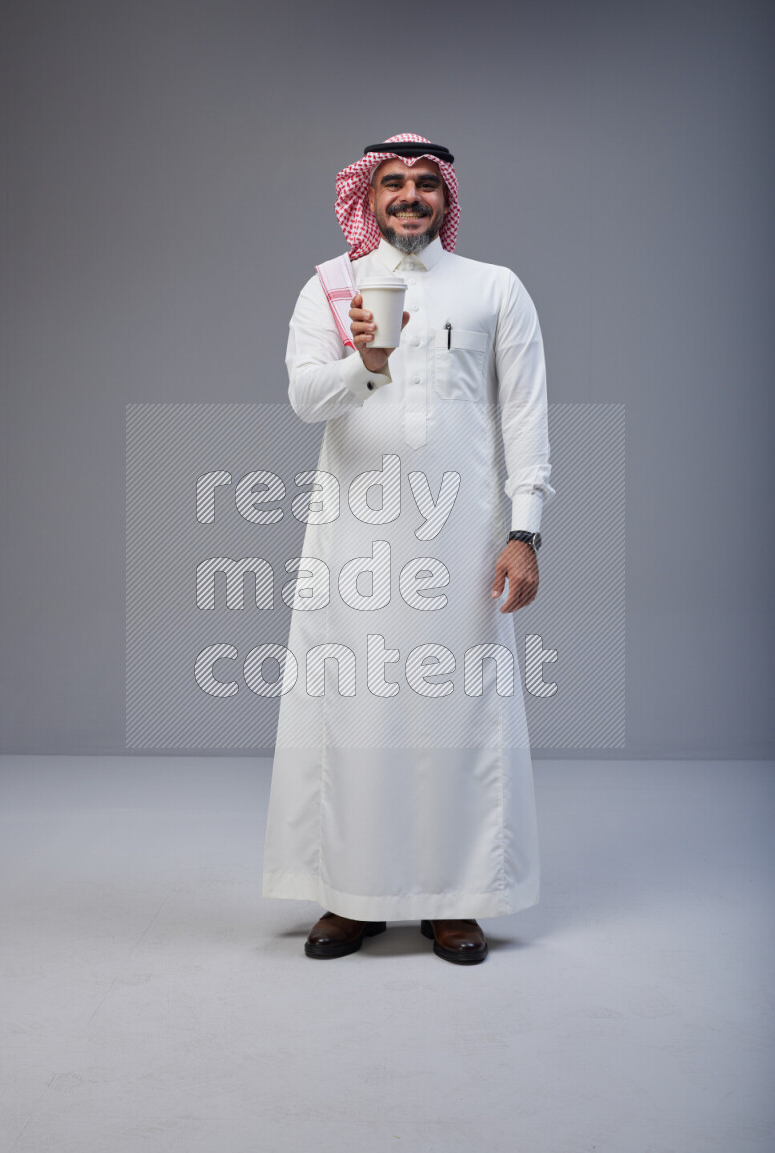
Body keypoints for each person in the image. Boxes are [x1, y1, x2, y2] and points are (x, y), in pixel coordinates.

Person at [261, 133, 555, 964]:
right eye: (393, 184)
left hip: (463, 542)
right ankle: (351, 897)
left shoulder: (496, 289)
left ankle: (455, 900)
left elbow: (526, 419)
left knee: (458, 712)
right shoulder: (330, 287)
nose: (410, 197)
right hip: (355, 537)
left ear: (445, 197)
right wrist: (367, 362)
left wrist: (524, 533)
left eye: (426, 184)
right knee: (353, 709)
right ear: (370, 195)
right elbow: (305, 398)